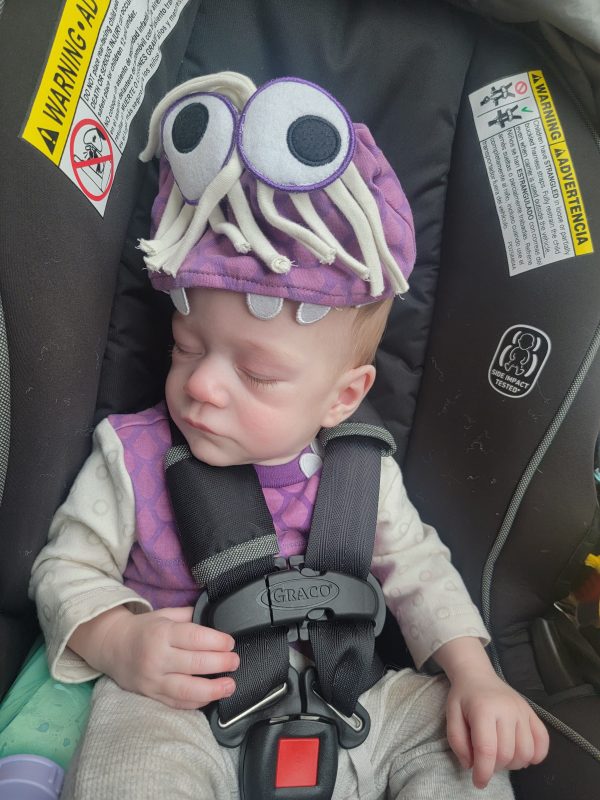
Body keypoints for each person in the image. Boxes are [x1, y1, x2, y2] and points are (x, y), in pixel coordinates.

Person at [29, 72, 548, 799]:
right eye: (185, 347)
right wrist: (119, 640)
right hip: (185, 704)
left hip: (356, 698)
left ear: (342, 397)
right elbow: (64, 569)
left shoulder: (361, 474)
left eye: (257, 374)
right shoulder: (132, 454)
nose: (203, 386)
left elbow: (420, 571)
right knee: (128, 759)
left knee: (458, 746)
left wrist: (474, 676)